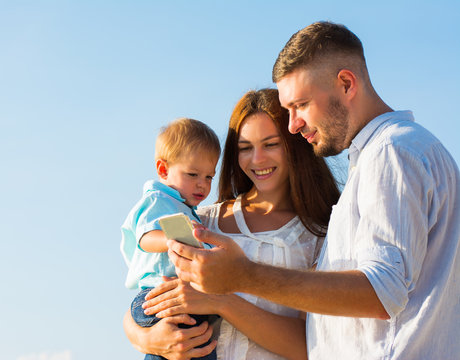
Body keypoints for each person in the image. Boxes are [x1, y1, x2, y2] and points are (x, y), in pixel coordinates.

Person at [167, 21, 460, 359]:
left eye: (301, 105)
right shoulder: (396, 153)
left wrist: (243, 276)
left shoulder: (392, 152)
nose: (293, 125)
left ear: (346, 83)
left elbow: (382, 293)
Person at [123, 89, 340, 359]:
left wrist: (221, 301)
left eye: (271, 144)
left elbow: (312, 347)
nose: (257, 159)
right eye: (245, 148)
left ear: (293, 145)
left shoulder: (322, 233)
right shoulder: (203, 220)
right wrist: (148, 339)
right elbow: (152, 295)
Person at [120, 118, 221, 360]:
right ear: (164, 170)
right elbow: (145, 237)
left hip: (177, 297)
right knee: (180, 344)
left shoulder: (185, 208)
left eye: (209, 176)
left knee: (197, 345)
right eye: (193, 174)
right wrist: (173, 240)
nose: (202, 184)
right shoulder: (158, 200)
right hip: (156, 296)